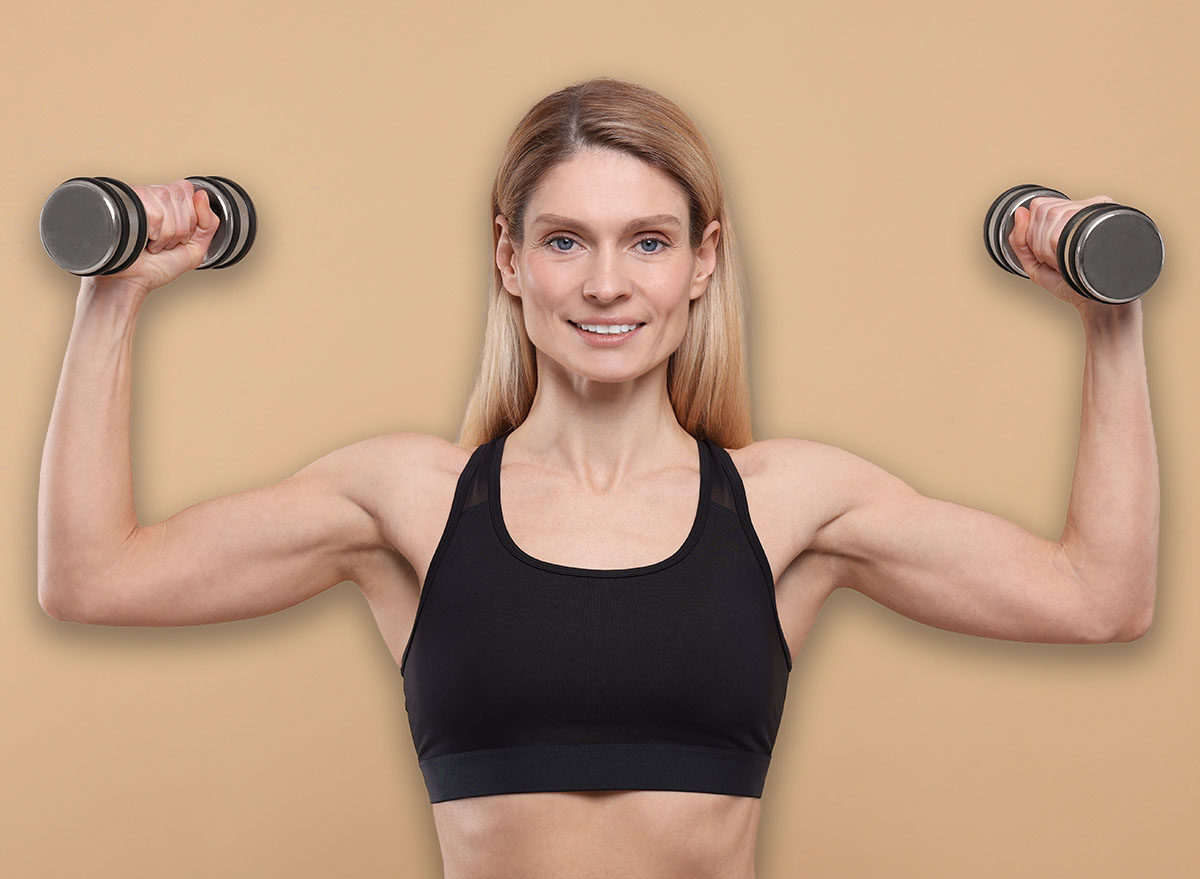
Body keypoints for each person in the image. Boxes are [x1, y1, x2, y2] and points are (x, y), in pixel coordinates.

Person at [37, 77, 1158, 879]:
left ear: (705, 261)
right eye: (566, 241)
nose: (608, 285)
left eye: (649, 242)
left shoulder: (789, 505)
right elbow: (94, 577)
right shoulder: (412, 501)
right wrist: (115, 294)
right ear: (509, 259)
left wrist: (1112, 323)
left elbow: (1098, 598)